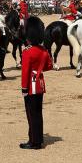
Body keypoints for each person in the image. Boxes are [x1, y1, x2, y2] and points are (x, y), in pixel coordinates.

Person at [20, 16, 53, 150]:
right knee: (38, 113)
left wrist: (24, 88)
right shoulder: (43, 50)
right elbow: (49, 66)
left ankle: (34, 142)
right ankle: (38, 139)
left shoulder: (27, 52)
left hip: (31, 85)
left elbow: (25, 72)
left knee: (31, 114)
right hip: (40, 84)